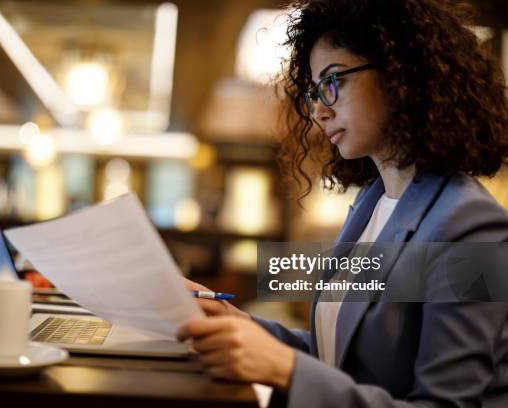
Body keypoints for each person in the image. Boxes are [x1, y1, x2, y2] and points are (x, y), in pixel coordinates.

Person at [177, 0, 508, 407]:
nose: (318, 111)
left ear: (399, 73)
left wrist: (285, 368)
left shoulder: (471, 226)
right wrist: (240, 325)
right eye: (314, 91)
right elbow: (345, 356)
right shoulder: (374, 204)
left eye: (332, 81)